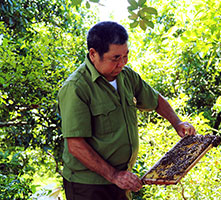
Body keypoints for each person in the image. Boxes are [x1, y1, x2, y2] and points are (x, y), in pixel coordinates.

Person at [58, 21, 196, 200]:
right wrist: (113, 175)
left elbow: (155, 100)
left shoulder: (127, 76)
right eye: (115, 58)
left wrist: (177, 122)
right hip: (88, 186)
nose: (122, 63)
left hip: (121, 180)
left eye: (126, 56)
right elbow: (76, 145)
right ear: (93, 54)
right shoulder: (76, 88)